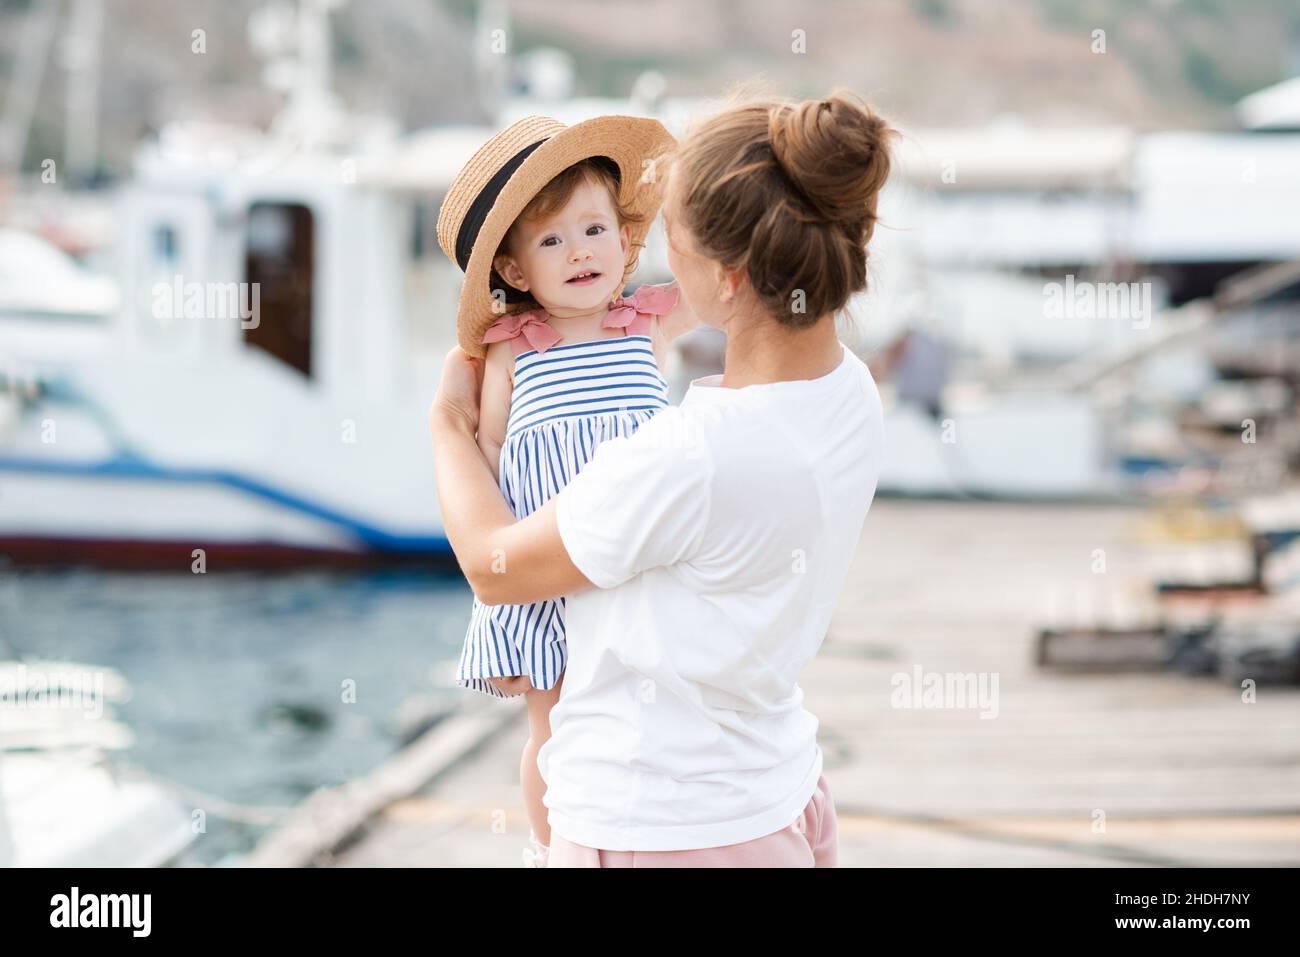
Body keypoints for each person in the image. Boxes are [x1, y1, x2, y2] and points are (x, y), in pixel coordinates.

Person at [430, 89, 896, 867]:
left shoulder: (686, 459)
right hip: (777, 794)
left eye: (670, 237)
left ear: (728, 278)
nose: (650, 259)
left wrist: (447, 425)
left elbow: (494, 564)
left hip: (664, 829)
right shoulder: (847, 391)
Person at [434, 114, 699, 864]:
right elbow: (489, 455)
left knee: (650, 707)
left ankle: (648, 827)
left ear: (624, 242)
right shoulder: (513, 350)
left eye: (594, 229)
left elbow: (722, 269)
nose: (579, 250)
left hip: (643, 560)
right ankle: (553, 847)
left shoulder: (645, 323)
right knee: (552, 728)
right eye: (551, 240)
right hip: (548, 567)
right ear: (516, 272)